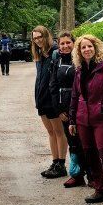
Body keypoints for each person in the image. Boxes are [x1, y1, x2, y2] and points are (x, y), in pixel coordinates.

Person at [68, 34, 103, 205]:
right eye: (83, 47)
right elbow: (75, 96)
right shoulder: (79, 70)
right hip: (83, 118)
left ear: (96, 47)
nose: (87, 50)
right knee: (90, 154)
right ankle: (100, 190)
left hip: (101, 118)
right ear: (79, 51)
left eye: (89, 46)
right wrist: (72, 120)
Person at [49, 31, 85, 188]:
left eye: (68, 42)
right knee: (73, 143)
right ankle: (76, 175)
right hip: (64, 109)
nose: (65, 46)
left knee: (85, 142)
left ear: (73, 43)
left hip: (81, 108)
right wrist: (58, 110)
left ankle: (92, 174)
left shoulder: (81, 61)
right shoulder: (56, 62)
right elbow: (53, 86)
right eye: (62, 43)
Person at [32, 25, 66, 179]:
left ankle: (61, 164)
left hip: (52, 100)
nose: (38, 40)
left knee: (59, 131)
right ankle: (54, 161)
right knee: (50, 132)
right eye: (35, 38)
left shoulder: (55, 53)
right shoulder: (40, 54)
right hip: (41, 99)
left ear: (46, 36)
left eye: (40, 37)